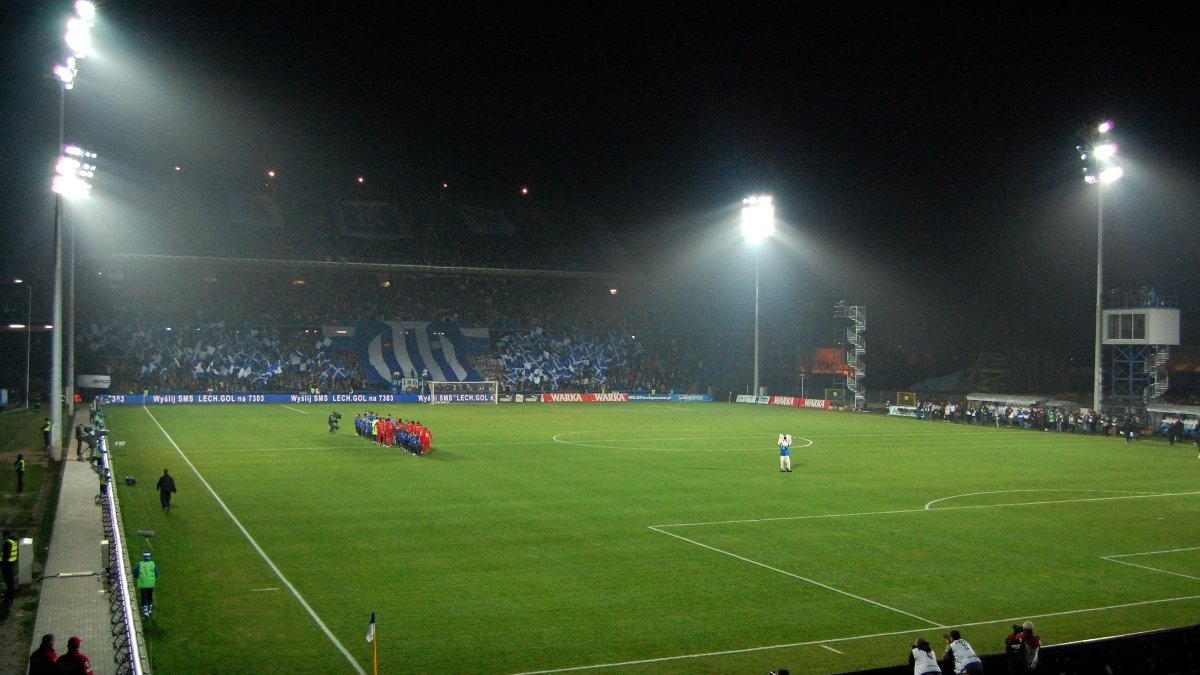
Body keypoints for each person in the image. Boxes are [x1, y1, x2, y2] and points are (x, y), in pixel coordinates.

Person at [134, 551, 158, 618]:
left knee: (144, 598)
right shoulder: (153, 563)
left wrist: (137, 577)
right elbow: (156, 573)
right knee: (150, 596)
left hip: (143, 584)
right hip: (151, 584)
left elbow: (135, 572)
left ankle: (145, 613)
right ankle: (149, 609)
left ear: (143, 557)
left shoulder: (140, 564)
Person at [2, 529, 17, 599]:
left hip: (7, 564)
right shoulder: (13, 541)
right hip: (11, 562)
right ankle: (11, 591)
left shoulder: (7, 543)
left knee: (8, 579)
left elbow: (6, 555)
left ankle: (10, 594)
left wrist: (2, 563)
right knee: (10, 578)